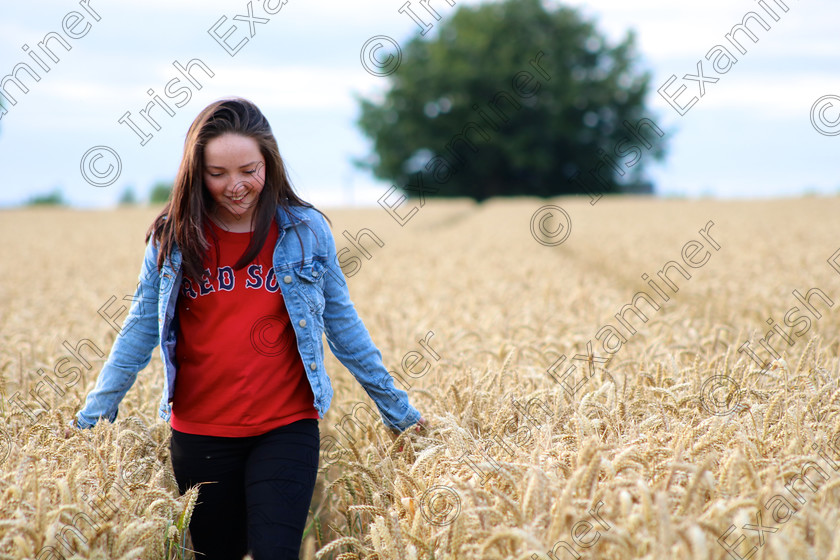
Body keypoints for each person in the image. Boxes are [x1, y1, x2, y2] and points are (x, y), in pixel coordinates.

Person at [70, 97, 427, 560]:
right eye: (217, 173)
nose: (235, 186)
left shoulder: (306, 231)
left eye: (248, 170)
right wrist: (92, 418)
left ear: (270, 163)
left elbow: (343, 325)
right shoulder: (173, 238)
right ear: (195, 173)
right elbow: (139, 329)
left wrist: (398, 411)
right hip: (200, 433)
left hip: (287, 426)